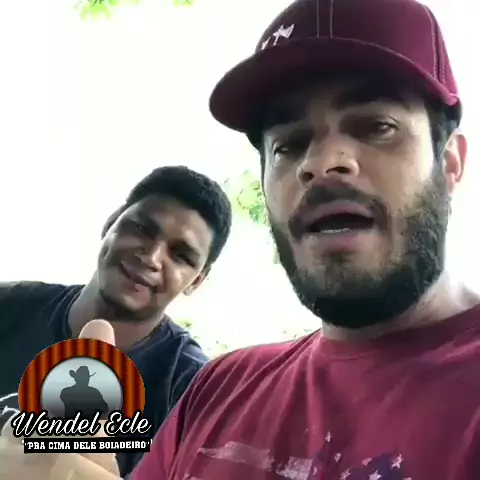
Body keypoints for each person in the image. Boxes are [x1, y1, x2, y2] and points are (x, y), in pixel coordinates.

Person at [131, 0, 480, 479]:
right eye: (289, 145)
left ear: (450, 164)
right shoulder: (218, 390)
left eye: (377, 127)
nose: (321, 163)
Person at [0, 165, 232, 477]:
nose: (151, 257)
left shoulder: (193, 391)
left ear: (196, 281)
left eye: (180, 256)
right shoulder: (9, 305)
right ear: (111, 223)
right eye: (142, 228)